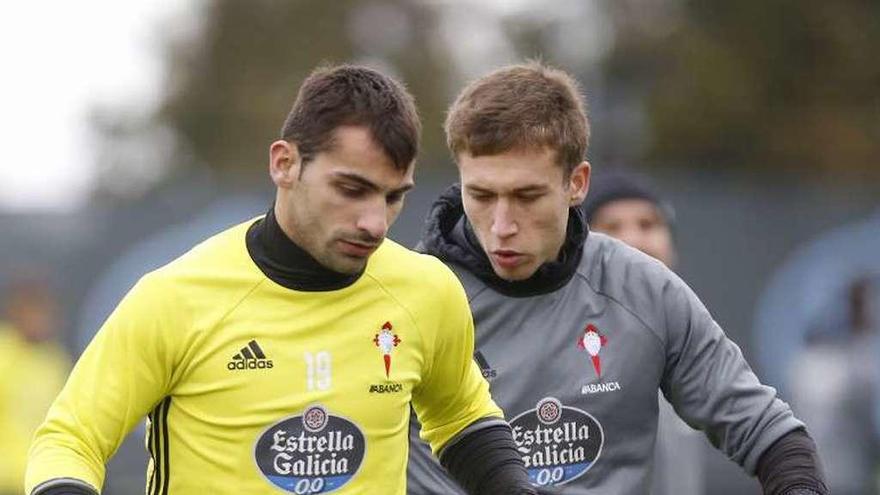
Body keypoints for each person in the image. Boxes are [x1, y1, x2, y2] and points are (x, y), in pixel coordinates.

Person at [26, 65, 536, 495]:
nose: (375, 222)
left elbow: (461, 418)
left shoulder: (426, 291)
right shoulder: (175, 298)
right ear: (284, 163)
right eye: (351, 189)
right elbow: (71, 439)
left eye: (392, 196)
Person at [407, 62, 827, 494]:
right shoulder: (406, 302)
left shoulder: (644, 289)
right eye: (480, 195)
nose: (501, 224)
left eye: (526, 196)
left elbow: (768, 432)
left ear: (577, 183)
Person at [580, 170, 706, 495]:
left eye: (648, 225)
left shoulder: (695, 345)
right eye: (612, 227)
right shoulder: (565, 347)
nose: (634, 240)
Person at [0, 273, 70, 495]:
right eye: (32, 310)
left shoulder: (56, 361)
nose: (39, 319)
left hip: (43, 482)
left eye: (44, 312)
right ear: (15, 311)